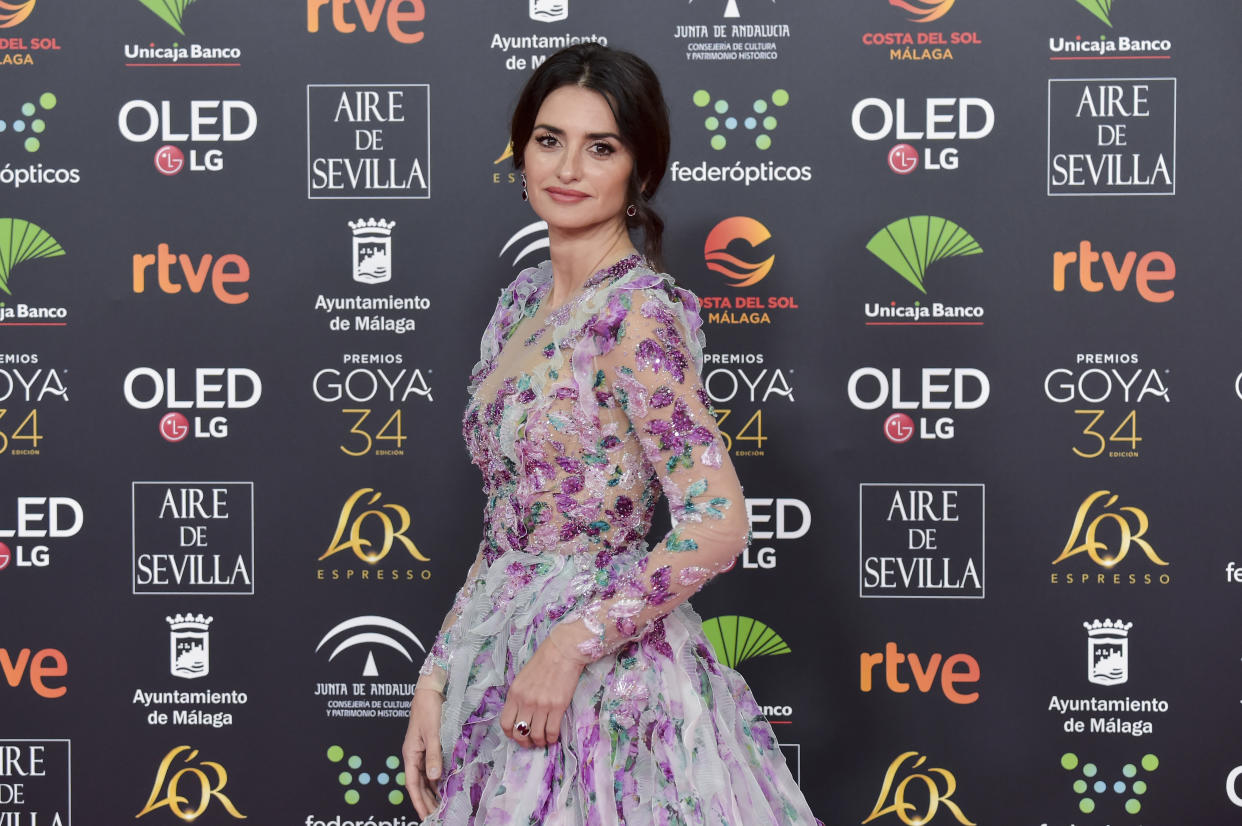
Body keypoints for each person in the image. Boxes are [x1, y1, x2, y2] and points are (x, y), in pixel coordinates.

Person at [402, 43, 818, 825]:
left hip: (601, 678)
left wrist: (570, 646)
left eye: (602, 147)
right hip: (498, 662)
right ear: (521, 152)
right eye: (549, 139)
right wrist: (435, 675)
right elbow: (503, 533)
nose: (567, 167)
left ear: (640, 169)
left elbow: (717, 525)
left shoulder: (640, 314)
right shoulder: (521, 304)